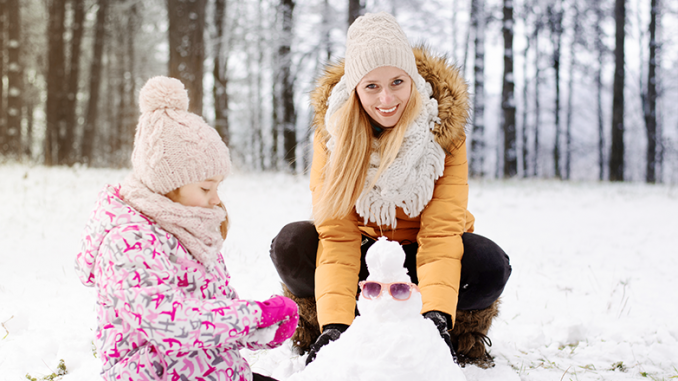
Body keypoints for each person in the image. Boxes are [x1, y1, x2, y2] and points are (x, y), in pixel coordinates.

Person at [269, 12, 511, 368]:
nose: (386, 99)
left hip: (421, 259)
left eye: (397, 82)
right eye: (372, 86)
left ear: (412, 78)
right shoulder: (333, 135)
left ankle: (446, 325)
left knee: (489, 264)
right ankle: (335, 320)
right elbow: (336, 235)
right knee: (291, 244)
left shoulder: (443, 133)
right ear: (355, 88)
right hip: (362, 258)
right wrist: (334, 324)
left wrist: (437, 319)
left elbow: (442, 231)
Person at [75, 76, 298, 381]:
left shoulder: (193, 230)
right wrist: (252, 315)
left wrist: (261, 330)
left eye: (218, 187)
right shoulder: (127, 242)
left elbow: (218, 313)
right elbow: (169, 324)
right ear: (168, 186)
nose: (216, 199)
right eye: (206, 188)